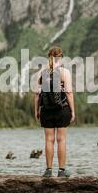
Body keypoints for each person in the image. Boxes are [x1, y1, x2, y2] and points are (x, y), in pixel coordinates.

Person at [34, 46, 75, 177]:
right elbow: (69, 93)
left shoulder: (41, 73)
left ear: (49, 57)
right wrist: (72, 111)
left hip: (46, 110)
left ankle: (48, 170)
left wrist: (37, 111)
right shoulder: (64, 72)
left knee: (49, 140)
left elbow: (36, 95)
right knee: (61, 140)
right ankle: (62, 171)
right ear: (60, 57)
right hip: (62, 110)